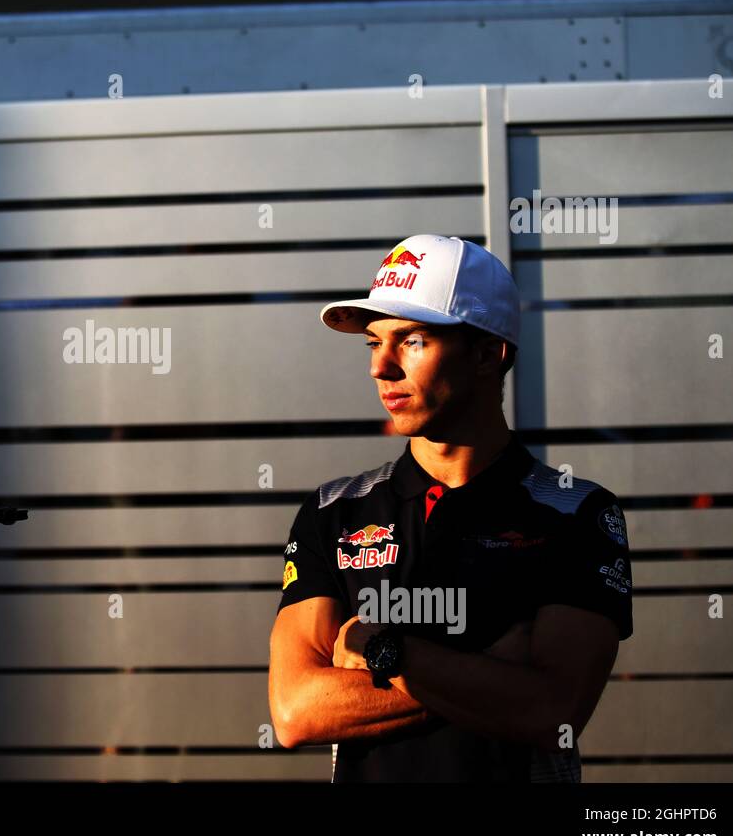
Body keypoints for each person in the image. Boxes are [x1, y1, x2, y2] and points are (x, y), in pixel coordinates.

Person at [267, 234, 633, 781]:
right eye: (374, 343)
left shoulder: (577, 513)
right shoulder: (334, 511)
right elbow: (295, 711)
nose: (381, 368)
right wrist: (493, 671)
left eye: (412, 340)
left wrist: (380, 648)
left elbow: (552, 712)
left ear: (490, 354)